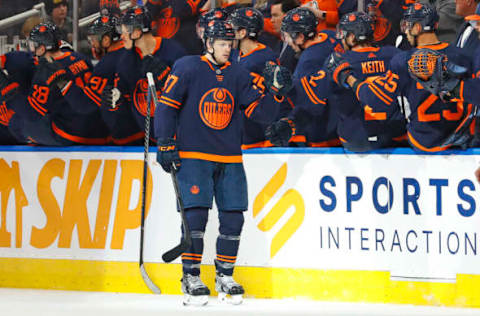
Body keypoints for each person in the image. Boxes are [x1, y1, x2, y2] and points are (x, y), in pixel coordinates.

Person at [154, 19, 288, 306]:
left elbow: (260, 113)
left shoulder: (238, 74)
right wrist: (165, 142)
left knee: (233, 218)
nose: (229, 48)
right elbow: (166, 106)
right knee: (195, 218)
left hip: (230, 157)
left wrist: (276, 93)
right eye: (223, 44)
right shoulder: (188, 67)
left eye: (231, 44)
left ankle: (224, 275)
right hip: (194, 157)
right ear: (209, 44)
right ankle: (191, 276)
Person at [334, 3, 473, 152]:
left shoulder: (403, 60)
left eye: (407, 25)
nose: (405, 31)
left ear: (417, 28)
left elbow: (376, 100)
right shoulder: (462, 55)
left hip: (422, 141)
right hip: (461, 139)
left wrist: (349, 78)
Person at [5, 22, 109, 145]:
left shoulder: (45, 72)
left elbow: (32, 114)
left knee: (16, 122)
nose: (32, 50)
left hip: (70, 134)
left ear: (42, 48)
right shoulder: (80, 58)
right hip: (96, 130)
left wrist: (7, 91)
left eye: (33, 45)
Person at [63, 14, 144, 145]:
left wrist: (62, 83)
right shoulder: (135, 52)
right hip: (144, 127)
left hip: (127, 134)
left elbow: (85, 105)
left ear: (106, 40)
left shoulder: (106, 65)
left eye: (94, 39)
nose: (92, 44)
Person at [110, 5, 186, 136]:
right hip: (146, 139)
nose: (121, 36)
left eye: (124, 31)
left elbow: (189, 97)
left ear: (137, 32)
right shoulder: (126, 61)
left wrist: (167, 80)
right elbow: (124, 102)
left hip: (178, 137)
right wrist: (115, 100)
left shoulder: (175, 53)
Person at [229, 7, 283, 149]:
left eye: (232, 29)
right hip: (243, 131)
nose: (229, 34)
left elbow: (264, 104)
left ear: (242, 33)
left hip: (258, 135)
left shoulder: (263, 59)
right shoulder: (236, 54)